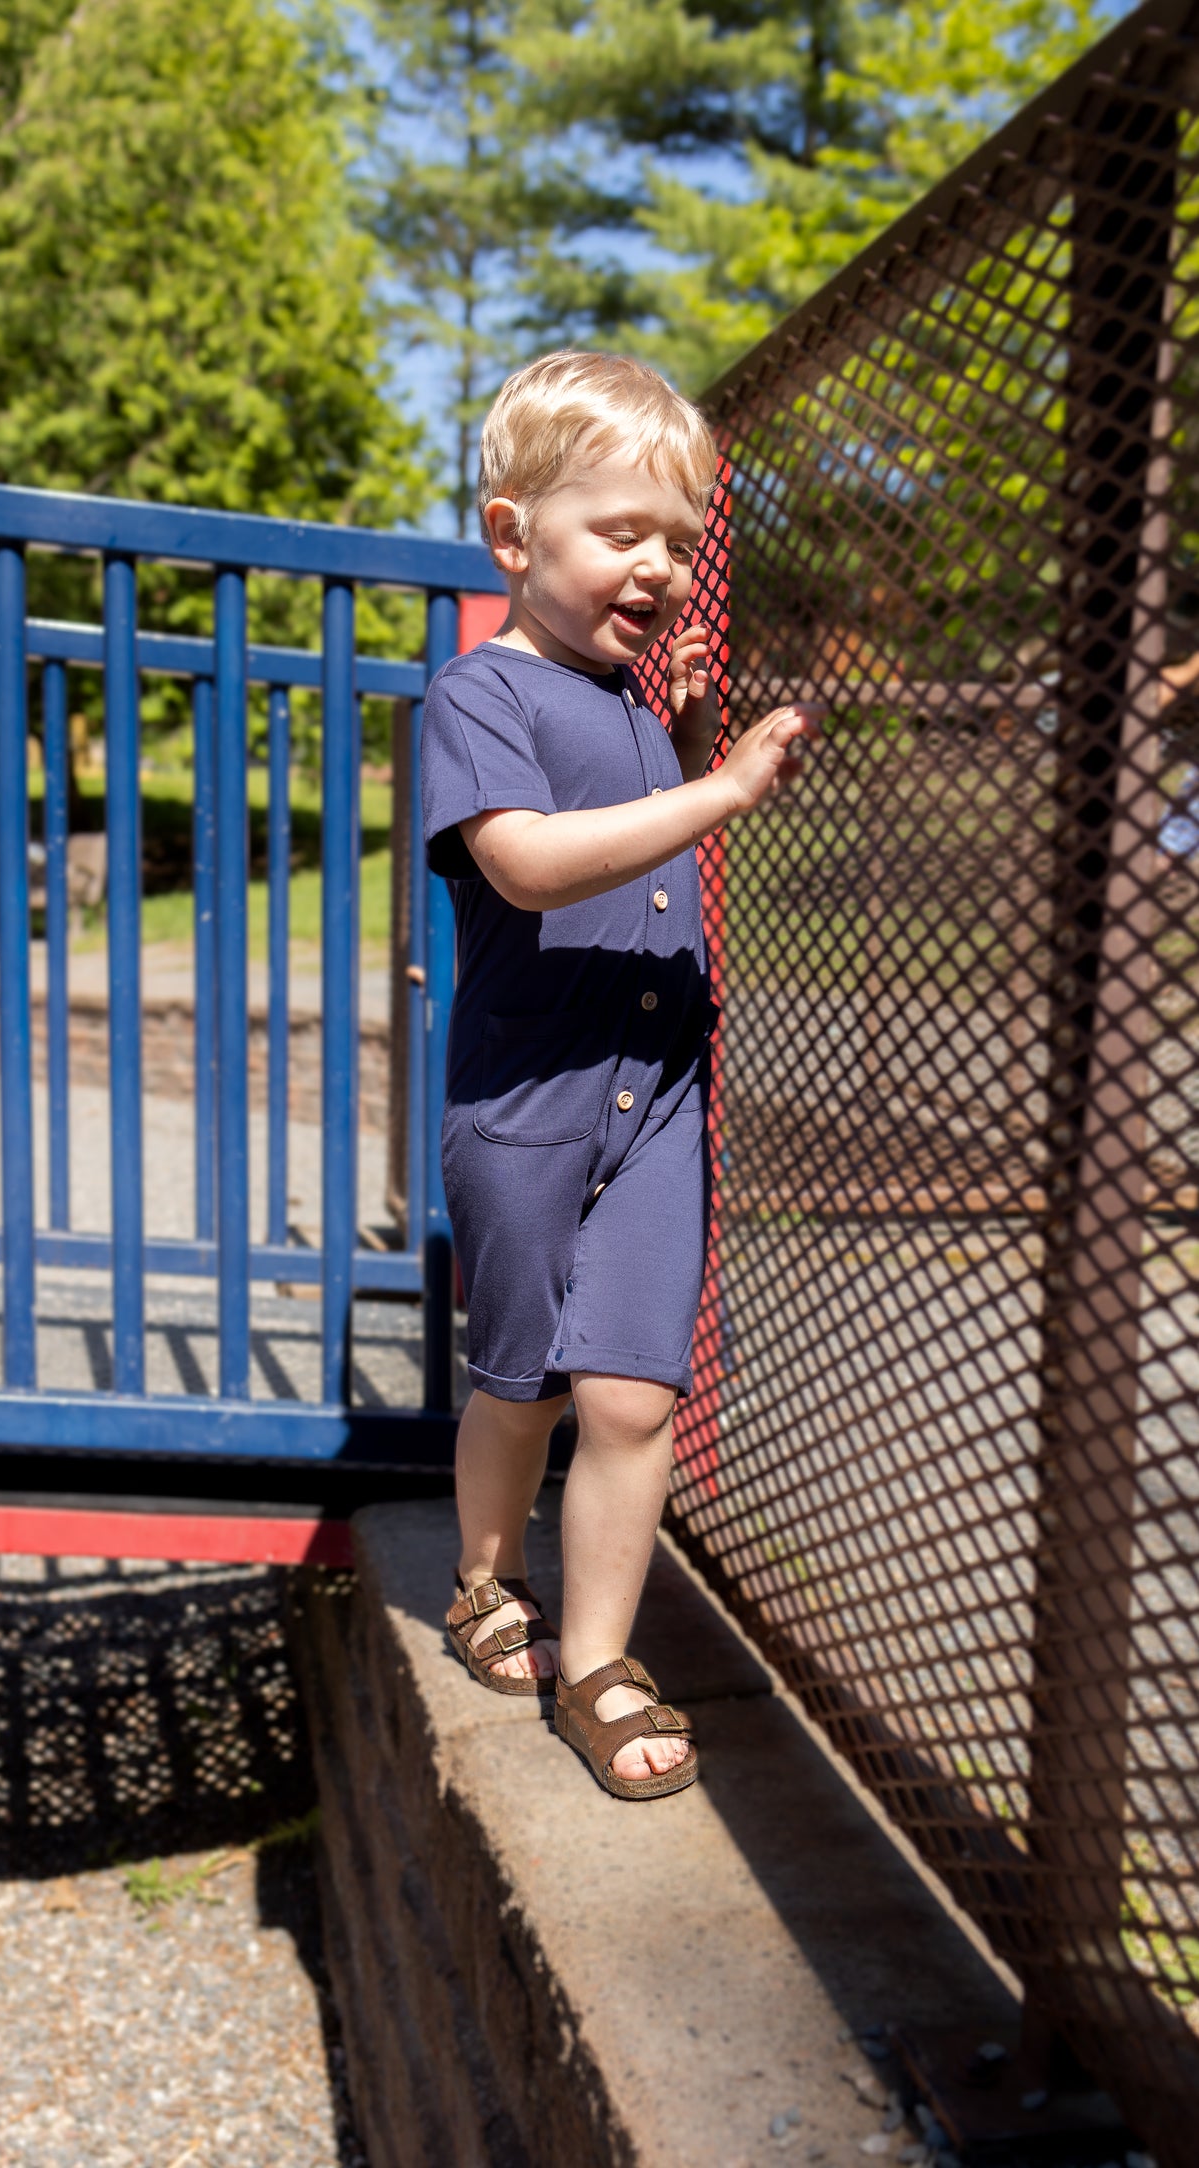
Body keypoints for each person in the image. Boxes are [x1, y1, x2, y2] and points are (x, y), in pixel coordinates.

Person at [422, 350, 820, 1801]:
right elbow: (527, 863)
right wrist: (711, 787)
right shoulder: (480, 696)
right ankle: (482, 1580)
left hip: (657, 1097)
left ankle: (596, 1656)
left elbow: (643, 829)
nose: (655, 565)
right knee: (520, 1382)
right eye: (620, 533)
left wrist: (691, 742)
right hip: (526, 1107)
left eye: (678, 536)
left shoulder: (641, 702)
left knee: (633, 1398)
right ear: (513, 536)